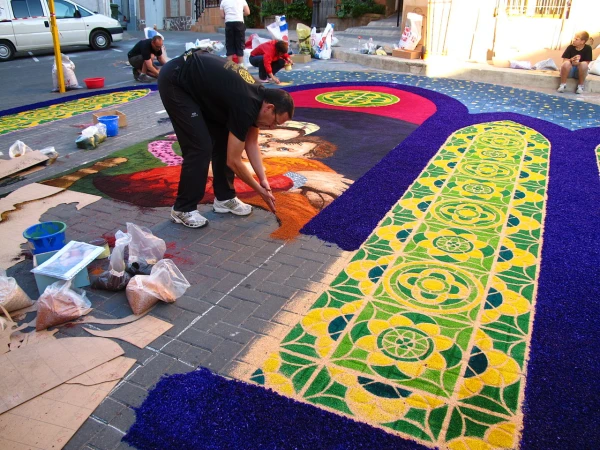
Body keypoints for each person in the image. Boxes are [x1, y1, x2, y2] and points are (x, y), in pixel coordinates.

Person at [157, 50, 295, 228]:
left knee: (223, 140)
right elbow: (234, 161)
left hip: (200, 86)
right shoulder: (246, 104)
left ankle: (225, 198)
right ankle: (183, 208)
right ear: (269, 108)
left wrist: (264, 180)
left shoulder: (258, 101)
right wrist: (259, 190)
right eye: (275, 122)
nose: (272, 128)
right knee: (200, 147)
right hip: (176, 81)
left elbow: (251, 144)